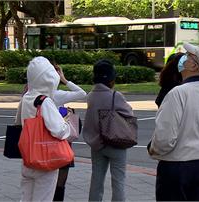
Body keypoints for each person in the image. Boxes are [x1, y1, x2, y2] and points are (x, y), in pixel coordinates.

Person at [148, 42, 199, 201]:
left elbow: (164, 139)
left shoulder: (177, 93)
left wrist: (152, 149)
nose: (184, 58)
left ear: (193, 65)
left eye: (189, 56)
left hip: (175, 168)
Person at [15, 56, 71, 201]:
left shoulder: (26, 97)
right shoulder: (45, 102)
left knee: (26, 198)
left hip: (28, 158)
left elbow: (18, 123)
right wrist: (66, 122)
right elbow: (59, 131)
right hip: (45, 160)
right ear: (49, 78)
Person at [82, 59, 134, 201]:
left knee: (96, 180)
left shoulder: (91, 96)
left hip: (97, 144)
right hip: (116, 142)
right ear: (112, 78)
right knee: (118, 181)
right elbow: (129, 113)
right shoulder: (115, 96)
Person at [50, 60, 87, 201]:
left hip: (42, 141)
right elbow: (82, 93)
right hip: (61, 140)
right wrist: (65, 80)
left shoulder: (31, 94)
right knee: (61, 179)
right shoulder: (57, 95)